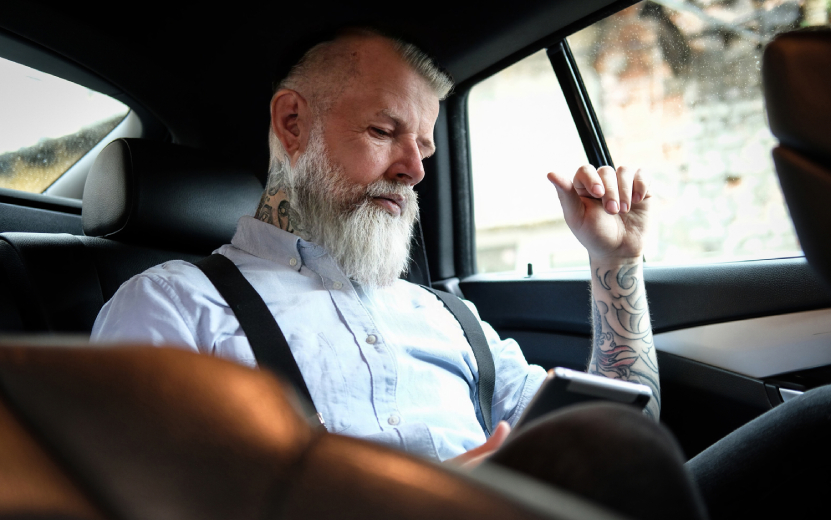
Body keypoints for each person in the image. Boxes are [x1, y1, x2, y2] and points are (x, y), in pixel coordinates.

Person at [90, 27, 830, 520]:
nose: (412, 169)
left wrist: (614, 264)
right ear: (292, 124)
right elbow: (126, 500)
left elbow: (612, 428)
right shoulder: (171, 305)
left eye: (423, 147)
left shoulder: (445, 317)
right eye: (384, 133)